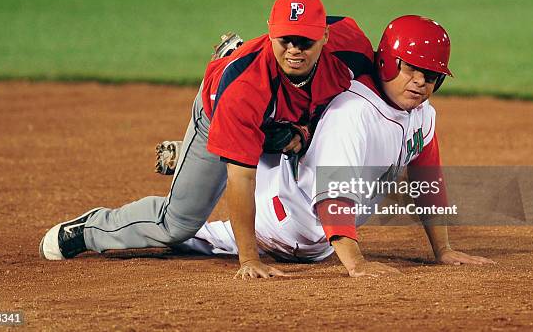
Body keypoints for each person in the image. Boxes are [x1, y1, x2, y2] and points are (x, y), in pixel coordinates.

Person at [39, 0, 375, 279]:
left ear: (326, 36)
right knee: (176, 225)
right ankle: (91, 228)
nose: (294, 50)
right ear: (271, 33)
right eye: (285, 39)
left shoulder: (352, 47)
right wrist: (249, 258)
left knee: (318, 131)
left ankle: (223, 149)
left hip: (282, 118)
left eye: (306, 41)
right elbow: (241, 180)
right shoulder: (244, 89)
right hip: (220, 112)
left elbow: (382, 97)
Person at [171, 15, 495, 277]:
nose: (420, 82)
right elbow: (334, 193)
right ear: (387, 62)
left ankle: (228, 150)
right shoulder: (353, 113)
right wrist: (356, 263)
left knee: (294, 142)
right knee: (264, 144)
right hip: (279, 218)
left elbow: (427, 179)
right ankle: (231, 79)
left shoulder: (423, 115)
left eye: (432, 75)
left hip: (320, 240)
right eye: (411, 68)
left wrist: (444, 250)